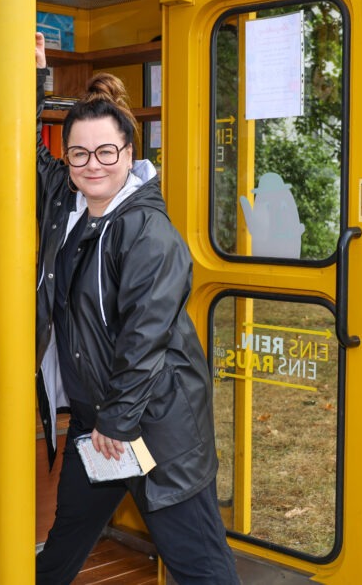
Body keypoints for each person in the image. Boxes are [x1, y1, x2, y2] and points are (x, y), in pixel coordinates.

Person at [32, 34, 240, 584]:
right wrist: (33, 78)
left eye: (106, 152)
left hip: (153, 425)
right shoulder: (69, 204)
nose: (92, 164)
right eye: (79, 153)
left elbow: (144, 335)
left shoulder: (147, 230)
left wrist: (119, 424)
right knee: (65, 541)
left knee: (198, 562)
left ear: (129, 152)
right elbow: (25, 150)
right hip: (97, 419)